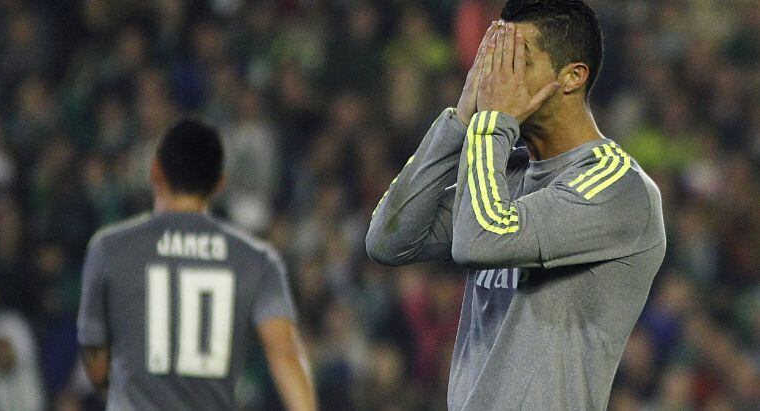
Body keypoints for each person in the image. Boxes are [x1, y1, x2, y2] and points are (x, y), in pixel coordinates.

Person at [366, 1, 666, 409]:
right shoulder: (505, 171)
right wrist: (460, 118)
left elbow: (480, 241)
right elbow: (389, 240)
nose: (496, 80)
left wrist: (491, 124)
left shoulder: (617, 189)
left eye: (515, 62)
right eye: (494, 60)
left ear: (573, 77)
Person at [77, 119, 317, 410]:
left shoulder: (109, 249)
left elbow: (97, 367)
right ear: (219, 183)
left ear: (155, 172)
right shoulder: (257, 260)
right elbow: (284, 353)